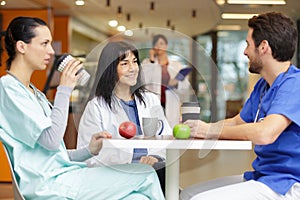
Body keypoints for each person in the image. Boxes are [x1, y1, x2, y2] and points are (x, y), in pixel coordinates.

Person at [0, 16, 165, 200]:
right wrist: (64, 89)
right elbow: (52, 141)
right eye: (44, 43)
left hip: (62, 175)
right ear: (22, 47)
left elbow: (55, 153)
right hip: (49, 184)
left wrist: (90, 149)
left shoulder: (34, 93)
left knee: (137, 198)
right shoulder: (8, 88)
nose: (51, 51)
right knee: (145, 174)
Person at [180, 12, 300, 200]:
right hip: (264, 178)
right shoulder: (263, 85)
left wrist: (210, 131)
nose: (245, 52)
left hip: (287, 185)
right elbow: (238, 122)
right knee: (188, 194)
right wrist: (199, 127)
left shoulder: (295, 84)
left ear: (263, 47)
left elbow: (265, 133)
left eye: (248, 44)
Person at [77, 41, 172, 194]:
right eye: (125, 63)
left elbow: (165, 139)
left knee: (165, 174)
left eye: (135, 62)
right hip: (115, 175)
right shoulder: (96, 107)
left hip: (151, 170)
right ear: (110, 69)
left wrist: (154, 157)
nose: (133, 68)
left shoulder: (151, 101)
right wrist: (127, 167)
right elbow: (88, 156)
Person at [142, 34, 190, 128]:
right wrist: (152, 60)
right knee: (153, 130)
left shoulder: (176, 65)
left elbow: (185, 87)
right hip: (154, 103)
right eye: (156, 44)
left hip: (171, 104)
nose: (159, 46)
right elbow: (143, 81)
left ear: (166, 46)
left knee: (170, 131)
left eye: (161, 43)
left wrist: (176, 84)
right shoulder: (147, 63)